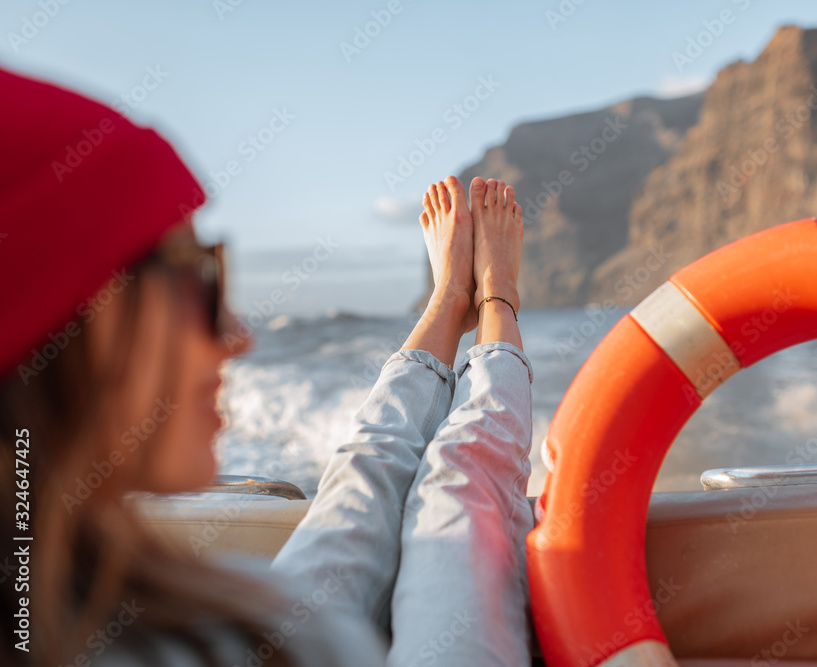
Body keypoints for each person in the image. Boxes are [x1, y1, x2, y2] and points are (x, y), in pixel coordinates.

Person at [0, 67, 533, 666]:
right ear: (53, 331)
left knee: (367, 468)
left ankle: (449, 303)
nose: (237, 336)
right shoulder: (258, 640)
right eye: (197, 278)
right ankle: (495, 303)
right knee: (463, 479)